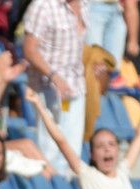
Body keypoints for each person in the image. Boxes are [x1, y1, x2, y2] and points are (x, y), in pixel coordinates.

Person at [23, 0, 89, 175]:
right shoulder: (42, 6)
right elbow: (29, 49)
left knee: (73, 154)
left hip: (76, 88)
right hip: (47, 89)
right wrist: (54, 77)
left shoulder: (85, 5)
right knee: (49, 151)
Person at [86, 0, 138, 65]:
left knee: (114, 65)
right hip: (92, 8)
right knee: (94, 62)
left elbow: (131, 3)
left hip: (116, 10)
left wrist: (133, 41)